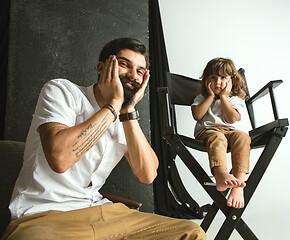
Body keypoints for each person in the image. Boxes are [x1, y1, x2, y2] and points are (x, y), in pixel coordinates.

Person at [2, 38, 206, 240]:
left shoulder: (126, 118)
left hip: (103, 212)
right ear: (102, 67)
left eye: (140, 71)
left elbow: (148, 174)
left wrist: (127, 110)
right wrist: (114, 104)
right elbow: (60, 159)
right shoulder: (62, 91)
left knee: (191, 233)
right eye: (124, 65)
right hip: (44, 214)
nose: (133, 75)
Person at [191, 57, 251, 209]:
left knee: (243, 137)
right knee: (217, 138)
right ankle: (221, 174)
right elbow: (197, 115)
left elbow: (231, 119)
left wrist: (224, 97)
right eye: (213, 77)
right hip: (208, 131)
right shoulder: (202, 97)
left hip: (229, 131)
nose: (218, 82)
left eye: (223, 77)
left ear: (232, 80)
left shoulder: (235, 99)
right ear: (206, 79)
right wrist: (210, 97)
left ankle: (238, 186)